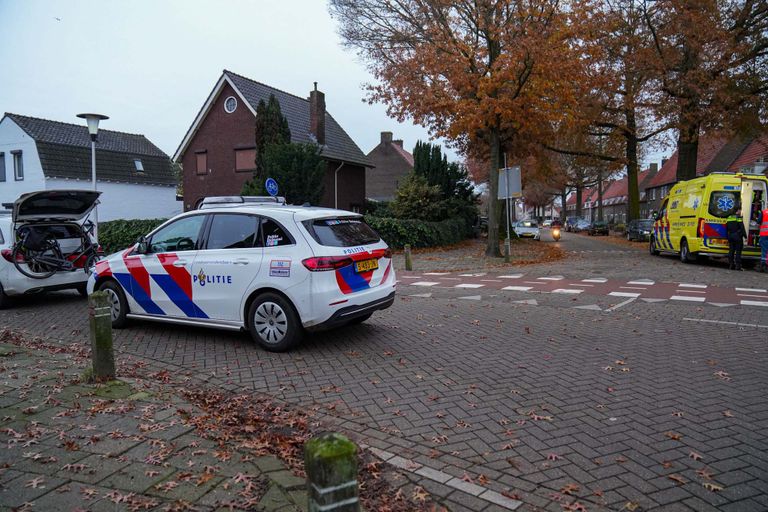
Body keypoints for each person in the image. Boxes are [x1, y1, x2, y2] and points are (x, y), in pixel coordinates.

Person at [760, 204, 768, 273]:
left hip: (764, 234)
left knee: (764, 250)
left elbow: (759, 221)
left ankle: (763, 265)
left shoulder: (763, 212)